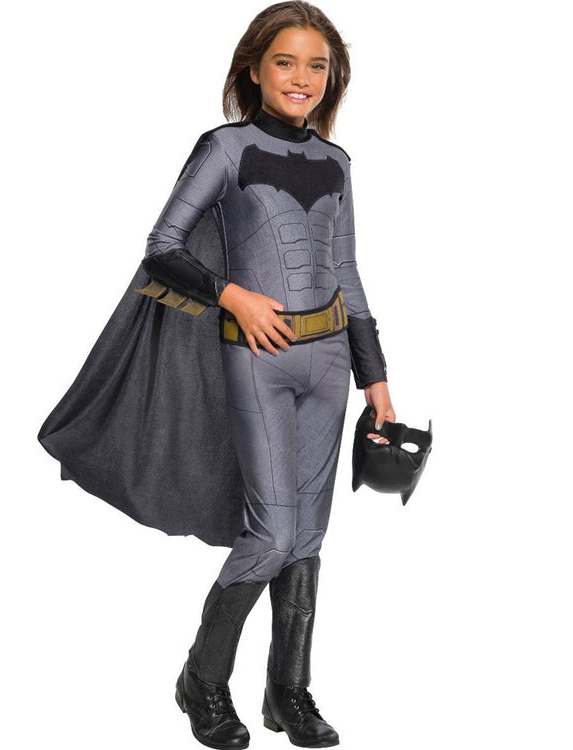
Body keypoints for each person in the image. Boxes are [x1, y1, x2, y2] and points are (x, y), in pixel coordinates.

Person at [39, 2, 396, 748]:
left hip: (330, 362)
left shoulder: (338, 163)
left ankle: (287, 694)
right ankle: (201, 682)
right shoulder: (226, 148)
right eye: (285, 62)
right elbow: (163, 245)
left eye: (317, 65)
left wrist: (377, 379)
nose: (301, 77)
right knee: (271, 533)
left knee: (307, 537)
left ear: (333, 77)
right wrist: (233, 295)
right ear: (254, 69)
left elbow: (349, 270)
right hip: (256, 356)